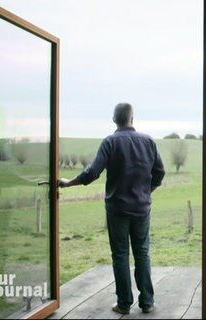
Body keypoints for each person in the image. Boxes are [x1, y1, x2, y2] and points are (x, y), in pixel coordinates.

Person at [58, 103, 165, 315]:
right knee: (142, 253)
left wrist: (68, 183)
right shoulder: (148, 142)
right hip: (142, 208)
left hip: (117, 209)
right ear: (132, 118)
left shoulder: (110, 142)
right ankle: (147, 303)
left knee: (120, 255)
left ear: (114, 120)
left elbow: (92, 173)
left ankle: (124, 304)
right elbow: (160, 173)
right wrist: (146, 192)